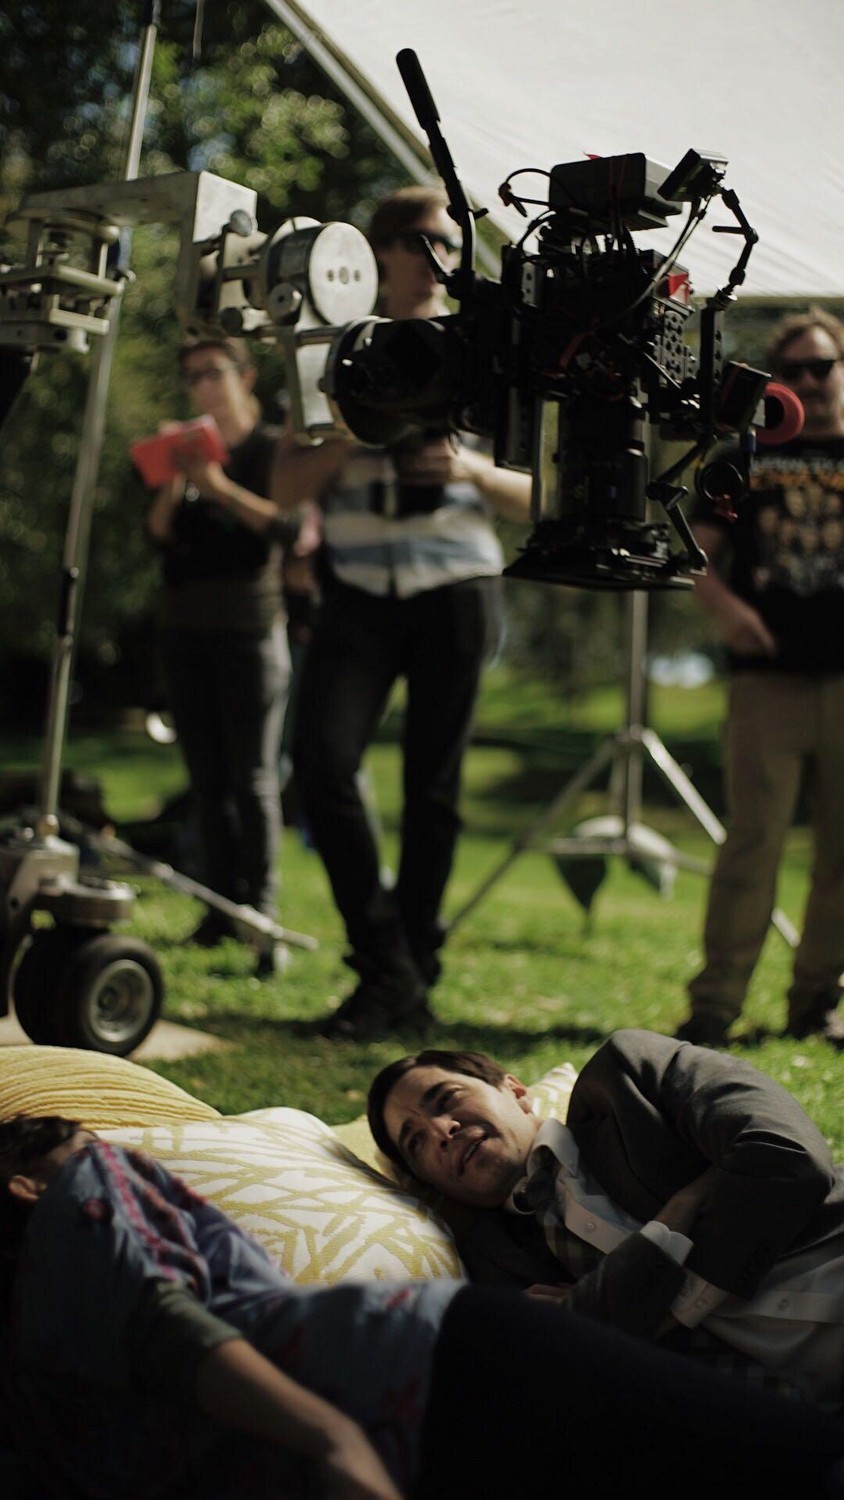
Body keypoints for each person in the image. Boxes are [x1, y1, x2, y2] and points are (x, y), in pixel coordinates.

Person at [3, 1116, 844, 1500]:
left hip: (438, 1367)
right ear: (22, 1185)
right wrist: (331, 1442)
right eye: (97, 1146)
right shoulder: (78, 1195)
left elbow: (166, 1331)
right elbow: (165, 1326)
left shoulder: (41, 1347)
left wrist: (331, 1444)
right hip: (417, 1397)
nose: (126, 1162)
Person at [277, 185, 531, 1039]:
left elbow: (539, 497)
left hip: (456, 588)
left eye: (451, 246)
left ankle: (410, 971)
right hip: (357, 592)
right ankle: (384, 961)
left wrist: (468, 470)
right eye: (421, 241)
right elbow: (282, 486)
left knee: (435, 790)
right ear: (377, 250)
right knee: (321, 761)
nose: (437, 260)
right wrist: (360, 423)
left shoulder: (487, 354)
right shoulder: (331, 348)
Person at [368, 1028, 844, 1414]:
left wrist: (645, 1308)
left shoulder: (629, 1076)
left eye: (447, 1099)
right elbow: (564, 1369)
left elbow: (788, 1158)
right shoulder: (497, 1266)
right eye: (415, 1142)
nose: (442, 1130)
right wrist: (671, 1223)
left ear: (515, 1090)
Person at [676, 307, 844, 1048]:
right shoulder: (743, 457)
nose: (810, 381)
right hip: (766, 682)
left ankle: (817, 1002)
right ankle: (714, 1007)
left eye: (823, 366)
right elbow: (695, 556)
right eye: (794, 370)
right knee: (753, 843)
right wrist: (727, 609)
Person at [146, 338, 294, 976]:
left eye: (213, 373)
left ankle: (261, 914)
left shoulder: (271, 447)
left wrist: (217, 486)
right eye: (192, 376)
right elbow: (157, 534)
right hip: (185, 627)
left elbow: (286, 528)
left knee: (252, 778)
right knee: (206, 780)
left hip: (249, 628)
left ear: (245, 376)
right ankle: (216, 910)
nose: (203, 386)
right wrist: (177, 480)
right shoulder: (185, 447)